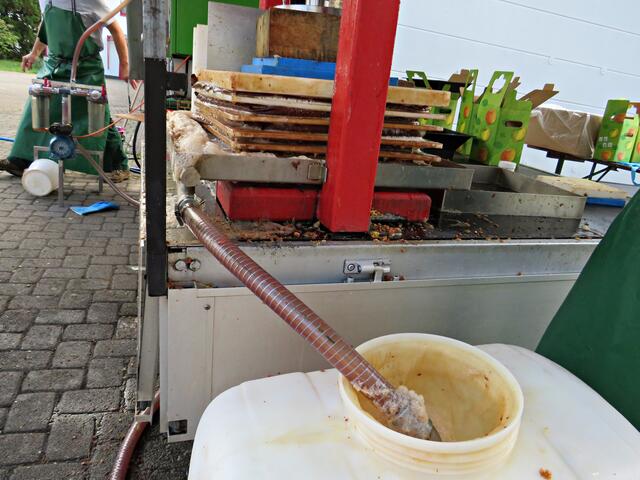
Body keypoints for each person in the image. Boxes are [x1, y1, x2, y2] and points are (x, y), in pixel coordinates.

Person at [0, 0, 133, 182]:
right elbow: (45, 28)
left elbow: (116, 29)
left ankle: (119, 165)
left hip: (86, 68)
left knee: (97, 116)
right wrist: (34, 53)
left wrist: (125, 65)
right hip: (55, 65)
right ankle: (20, 161)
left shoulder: (93, 2)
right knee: (36, 110)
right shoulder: (46, 1)